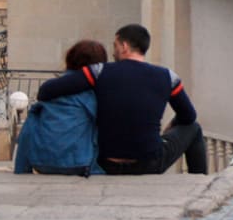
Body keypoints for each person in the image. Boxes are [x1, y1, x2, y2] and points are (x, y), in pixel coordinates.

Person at [37, 23, 208, 175]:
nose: (113, 51)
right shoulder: (167, 77)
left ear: (124, 46)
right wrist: (172, 124)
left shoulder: (99, 72)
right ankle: (199, 181)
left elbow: (46, 91)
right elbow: (189, 117)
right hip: (150, 163)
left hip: (107, 163)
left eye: (115, 45)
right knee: (194, 128)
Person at [15, 38, 106, 176]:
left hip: (42, 162)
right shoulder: (91, 95)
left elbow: (29, 129)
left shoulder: (51, 89)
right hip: (79, 163)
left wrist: (21, 169)